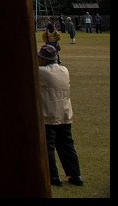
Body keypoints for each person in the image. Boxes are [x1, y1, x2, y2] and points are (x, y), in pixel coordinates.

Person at [36, 44, 83, 188]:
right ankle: (75, 175)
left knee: (48, 146)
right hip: (64, 112)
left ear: (43, 59)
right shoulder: (64, 70)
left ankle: (53, 176)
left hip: (48, 114)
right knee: (67, 145)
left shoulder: (41, 72)